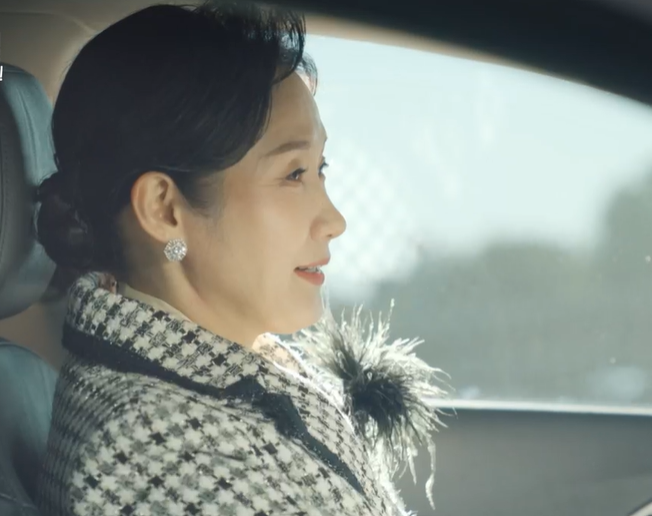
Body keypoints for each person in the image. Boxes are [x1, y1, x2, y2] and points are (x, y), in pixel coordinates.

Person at [34, 3, 447, 515]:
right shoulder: (163, 453)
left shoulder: (220, 376)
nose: (335, 220)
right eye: (293, 174)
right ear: (164, 209)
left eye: (320, 168)